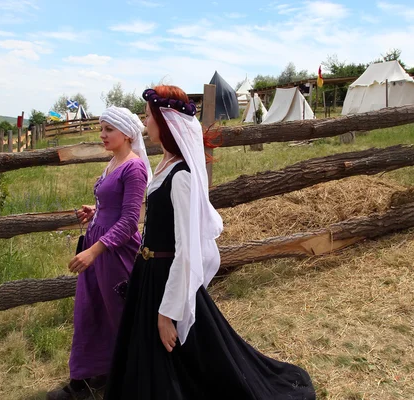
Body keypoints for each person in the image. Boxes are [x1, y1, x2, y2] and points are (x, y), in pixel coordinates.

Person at [104, 86, 315, 400]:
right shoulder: (163, 167)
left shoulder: (181, 177)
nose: (144, 122)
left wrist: (166, 314)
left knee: (187, 359)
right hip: (148, 274)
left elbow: (185, 252)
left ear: (165, 123)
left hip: (167, 278)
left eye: (148, 116)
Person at [47, 107, 152, 400]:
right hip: (99, 243)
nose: (102, 135)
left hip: (115, 252)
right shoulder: (114, 162)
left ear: (127, 134)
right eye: (101, 128)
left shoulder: (134, 167)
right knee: (90, 310)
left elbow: (131, 220)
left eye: (109, 129)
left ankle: (129, 378)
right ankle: (87, 377)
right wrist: (96, 211)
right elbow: (114, 205)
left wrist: (93, 252)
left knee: (117, 314)